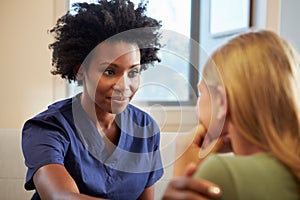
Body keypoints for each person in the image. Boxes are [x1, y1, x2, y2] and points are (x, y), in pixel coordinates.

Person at [21, 0, 165, 199]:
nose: (123, 86)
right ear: (80, 72)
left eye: (133, 73)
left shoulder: (146, 128)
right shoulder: (47, 128)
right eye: (109, 71)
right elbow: (59, 196)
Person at [164, 30, 300, 199]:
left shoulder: (221, 173)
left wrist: (183, 174)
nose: (197, 110)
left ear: (221, 103)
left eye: (201, 94)